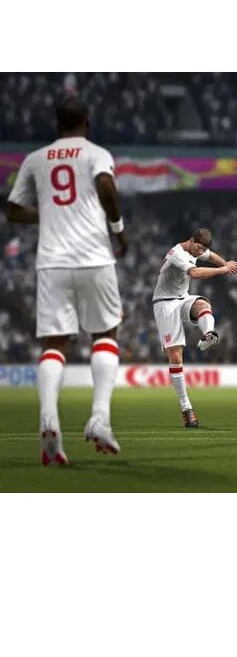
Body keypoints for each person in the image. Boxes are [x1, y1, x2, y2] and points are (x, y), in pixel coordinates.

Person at [6, 98, 127, 464]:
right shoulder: (96, 154)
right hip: (94, 257)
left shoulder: (35, 159)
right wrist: (118, 228)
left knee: (54, 344)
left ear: (56, 123)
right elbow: (105, 184)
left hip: (52, 262)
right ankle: (99, 418)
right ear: (86, 122)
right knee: (105, 334)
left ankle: (48, 421)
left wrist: (50, 213)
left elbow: (13, 211)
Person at [152, 228, 237, 427]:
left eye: (202, 249)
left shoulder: (196, 249)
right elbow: (195, 273)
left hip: (182, 298)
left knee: (203, 305)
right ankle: (186, 408)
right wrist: (223, 270)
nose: (200, 252)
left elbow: (210, 256)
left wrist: (225, 263)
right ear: (191, 241)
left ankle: (208, 334)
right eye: (198, 248)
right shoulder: (177, 254)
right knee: (176, 356)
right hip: (165, 303)